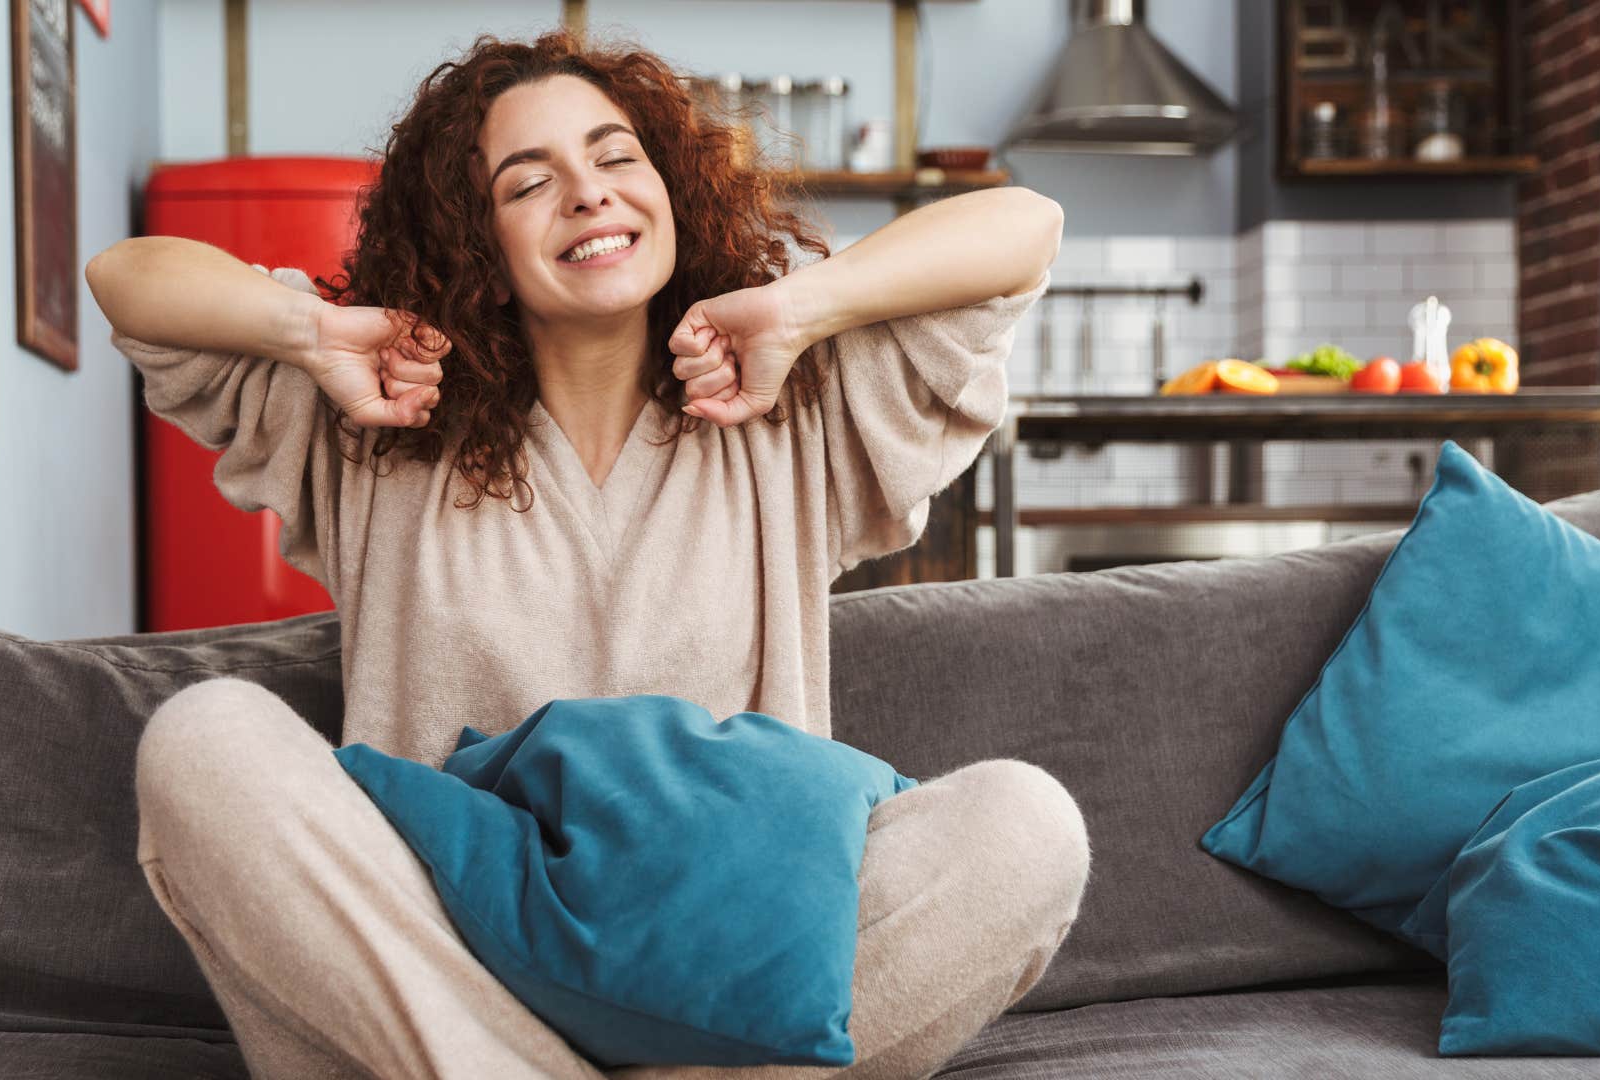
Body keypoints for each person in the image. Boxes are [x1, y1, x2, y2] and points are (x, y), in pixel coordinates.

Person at [86, 27, 1088, 1080]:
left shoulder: (794, 408)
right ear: (475, 238)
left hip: (727, 963)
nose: (589, 193)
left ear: (669, 188)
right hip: (437, 954)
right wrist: (305, 332)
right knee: (207, 734)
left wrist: (802, 304)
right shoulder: (375, 418)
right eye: (529, 183)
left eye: (617, 158)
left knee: (1027, 824)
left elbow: (1025, 228)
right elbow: (127, 280)